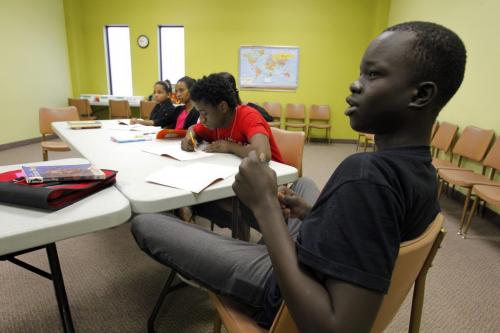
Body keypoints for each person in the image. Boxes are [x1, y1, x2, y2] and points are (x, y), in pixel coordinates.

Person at [131, 21, 466, 331]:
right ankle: (273, 230)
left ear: (420, 95)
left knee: (146, 222)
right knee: (304, 186)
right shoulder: (419, 169)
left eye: (373, 75)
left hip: (283, 287)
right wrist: (314, 214)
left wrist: (264, 206)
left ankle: (253, 247)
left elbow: (335, 327)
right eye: (360, 73)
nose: (355, 83)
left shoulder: (366, 176)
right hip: (311, 259)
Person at [181, 73, 283, 163]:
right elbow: (192, 129)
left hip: (277, 177)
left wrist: (229, 146)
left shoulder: (248, 116)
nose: (202, 119)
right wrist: (189, 137)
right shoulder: (214, 122)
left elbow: (262, 155)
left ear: (223, 107)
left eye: (204, 113)